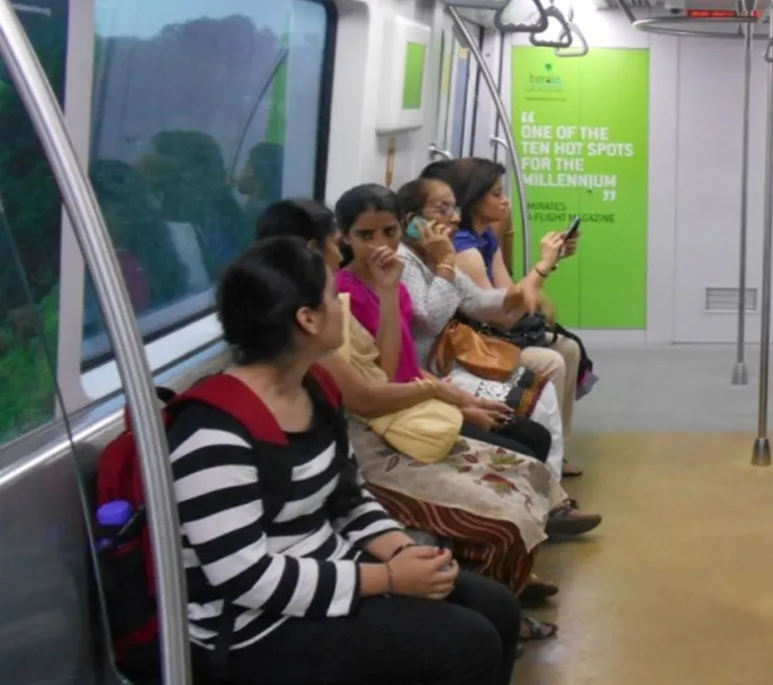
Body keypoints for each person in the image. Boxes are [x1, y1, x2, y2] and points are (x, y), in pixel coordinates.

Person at [167, 236, 522, 684]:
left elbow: (348, 497)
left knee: (496, 608)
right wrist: (388, 580)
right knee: (467, 644)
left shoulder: (315, 389)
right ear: (307, 319)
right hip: (250, 628)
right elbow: (244, 576)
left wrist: (402, 551)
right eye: (335, 297)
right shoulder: (213, 431)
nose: (344, 306)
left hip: (330, 570)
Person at [255, 200, 562, 612]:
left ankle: (510, 585)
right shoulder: (325, 311)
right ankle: (501, 597)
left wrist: (387, 292)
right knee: (511, 488)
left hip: (401, 407)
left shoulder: (368, 287)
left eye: (389, 232)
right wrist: (441, 393)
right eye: (353, 238)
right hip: (381, 433)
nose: (352, 250)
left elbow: (387, 366)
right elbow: (371, 391)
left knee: (530, 460)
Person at [334, 184, 600, 539]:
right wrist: (444, 261)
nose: (381, 243)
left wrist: (545, 266)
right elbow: (426, 322)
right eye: (366, 235)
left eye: (389, 232)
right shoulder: (392, 274)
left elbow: (496, 304)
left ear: (402, 226)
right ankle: (542, 513)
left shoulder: (406, 271)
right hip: (421, 387)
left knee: (534, 413)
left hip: (429, 380)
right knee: (528, 417)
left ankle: (548, 507)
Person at [428, 158, 591, 476]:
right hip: (475, 340)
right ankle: (536, 456)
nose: (504, 201)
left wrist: (549, 264)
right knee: (551, 361)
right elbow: (503, 314)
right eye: (495, 194)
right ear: (473, 198)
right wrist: (545, 265)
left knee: (569, 349)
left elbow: (509, 292)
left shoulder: (486, 236)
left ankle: (558, 447)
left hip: (493, 330)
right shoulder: (464, 250)